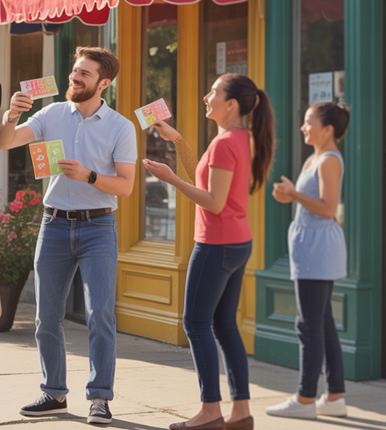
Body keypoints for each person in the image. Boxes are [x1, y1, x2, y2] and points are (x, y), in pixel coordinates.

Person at [0, 46, 136, 425]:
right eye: (75, 71)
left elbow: (125, 187)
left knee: (100, 316)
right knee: (46, 317)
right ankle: (53, 392)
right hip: (54, 224)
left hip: (99, 227)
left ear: (103, 83)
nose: (74, 78)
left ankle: (100, 397)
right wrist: (13, 113)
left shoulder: (121, 126)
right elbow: (4, 142)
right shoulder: (52, 113)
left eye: (84, 74)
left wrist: (89, 176)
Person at [143, 73, 275, 430]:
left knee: (195, 323)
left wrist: (170, 180)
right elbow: (206, 180)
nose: (206, 96)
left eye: (213, 92)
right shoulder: (240, 138)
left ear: (230, 104)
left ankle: (210, 411)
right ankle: (241, 412)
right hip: (237, 242)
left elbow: (214, 202)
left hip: (216, 244)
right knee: (225, 326)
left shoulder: (224, 143)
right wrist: (177, 140)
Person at [266, 103, 350, 420]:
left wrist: (294, 194)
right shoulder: (315, 158)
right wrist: (290, 195)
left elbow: (328, 208)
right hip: (311, 247)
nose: (303, 127)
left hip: (317, 249)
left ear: (327, 129)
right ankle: (334, 396)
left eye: (308, 122)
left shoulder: (328, 161)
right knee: (324, 324)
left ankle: (304, 399)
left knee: (308, 326)